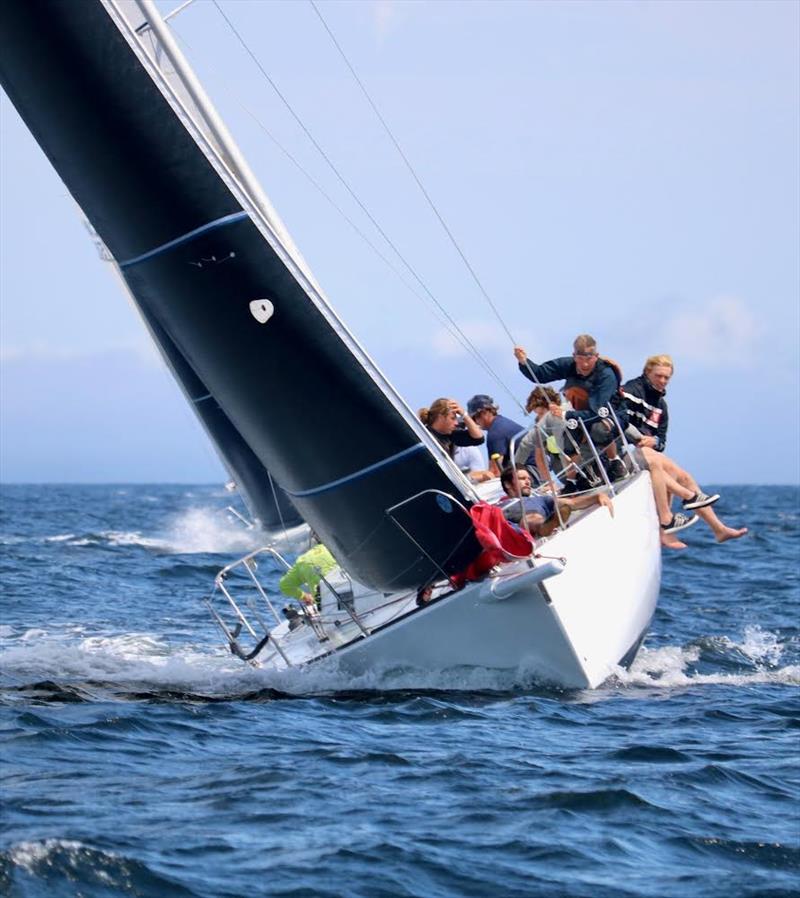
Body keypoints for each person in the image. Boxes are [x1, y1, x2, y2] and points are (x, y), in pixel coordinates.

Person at [622, 355, 747, 544]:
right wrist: (639, 437)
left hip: (647, 454)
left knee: (682, 475)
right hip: (624, 453)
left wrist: (654, 441)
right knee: (655, 460)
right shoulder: (631, 391)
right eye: (659, 376)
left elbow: (662, 441)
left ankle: (719, 529)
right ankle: (678, 509)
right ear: (647, 373)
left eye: (667, 378)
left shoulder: (661, 406)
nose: (663, 381)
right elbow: (618, 422)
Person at [513, 334, 627, 489]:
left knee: (598, 429)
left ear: (596, 356)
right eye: (580, 358)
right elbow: (540, 373)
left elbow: (596, 410)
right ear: (574, 356)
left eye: (589, 359)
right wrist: (524, 361)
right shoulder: (569, 365)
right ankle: (572, 481)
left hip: (609, 413)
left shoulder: (606, 374)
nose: (585, 364)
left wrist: (566, 414)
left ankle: (616, 462)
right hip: (580, 415)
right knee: (567, 437)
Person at [498, 465, 613, 537]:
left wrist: (596, 496)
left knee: (534, 516)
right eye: (522, 479)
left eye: (529, 479)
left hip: (536, 521)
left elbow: (572, 503)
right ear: (507, 484)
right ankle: (547, 525)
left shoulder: (540, 499)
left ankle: (548, 524)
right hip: (515, 526)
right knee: (530, 518)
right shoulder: (499, 507)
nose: (528, 482)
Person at [466, 394, 529, 476]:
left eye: (475, 418)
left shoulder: (495, 433)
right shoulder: (502, 423)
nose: (475, 422)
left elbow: (495, 472)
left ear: (484, 413)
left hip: (528, 473)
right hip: (536, 470)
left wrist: (470, 476)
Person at [418, 398, 485, 460]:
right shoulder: (424, 435)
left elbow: (479, 439)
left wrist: (464, 414)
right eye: (452, 418)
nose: (456, 423)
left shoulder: (451, 436)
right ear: (440, 417)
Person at [279, 540, 337, 609]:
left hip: (326, 605)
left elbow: (284, 585)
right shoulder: (334, 548)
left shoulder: (302, 561)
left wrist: (304, 596)